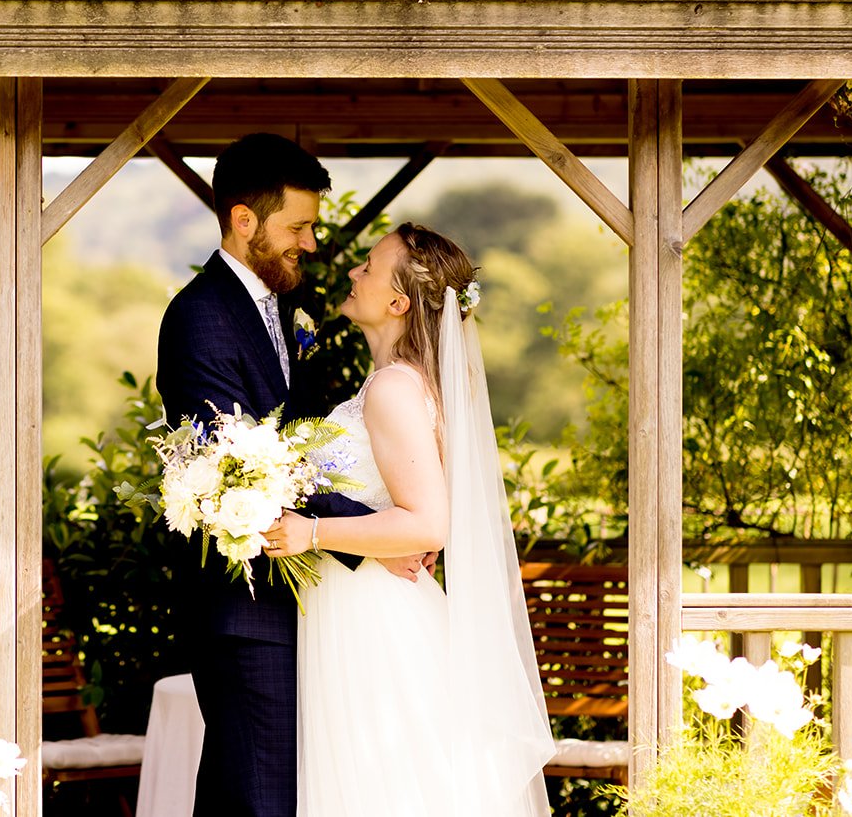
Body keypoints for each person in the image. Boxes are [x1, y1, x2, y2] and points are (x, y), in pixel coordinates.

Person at [156, 133, 429, 817]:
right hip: (248, 607)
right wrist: (381, 530)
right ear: (244, 220)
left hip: (304, 600)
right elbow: (244, 466)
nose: (310, 244)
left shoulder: (284, 309)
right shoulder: (200, 317)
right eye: (297, 227)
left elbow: (308, 445)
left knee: (254, 792)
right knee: (262, 794)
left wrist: (394, 525)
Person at [264, 223, 556, 816]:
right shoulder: (403, 383)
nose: (352, 272)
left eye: (367, 267)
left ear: (398, 302)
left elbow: (427, 525)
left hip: (372, 616)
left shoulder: (394, 389)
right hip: (364, 602)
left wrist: (311, 532)